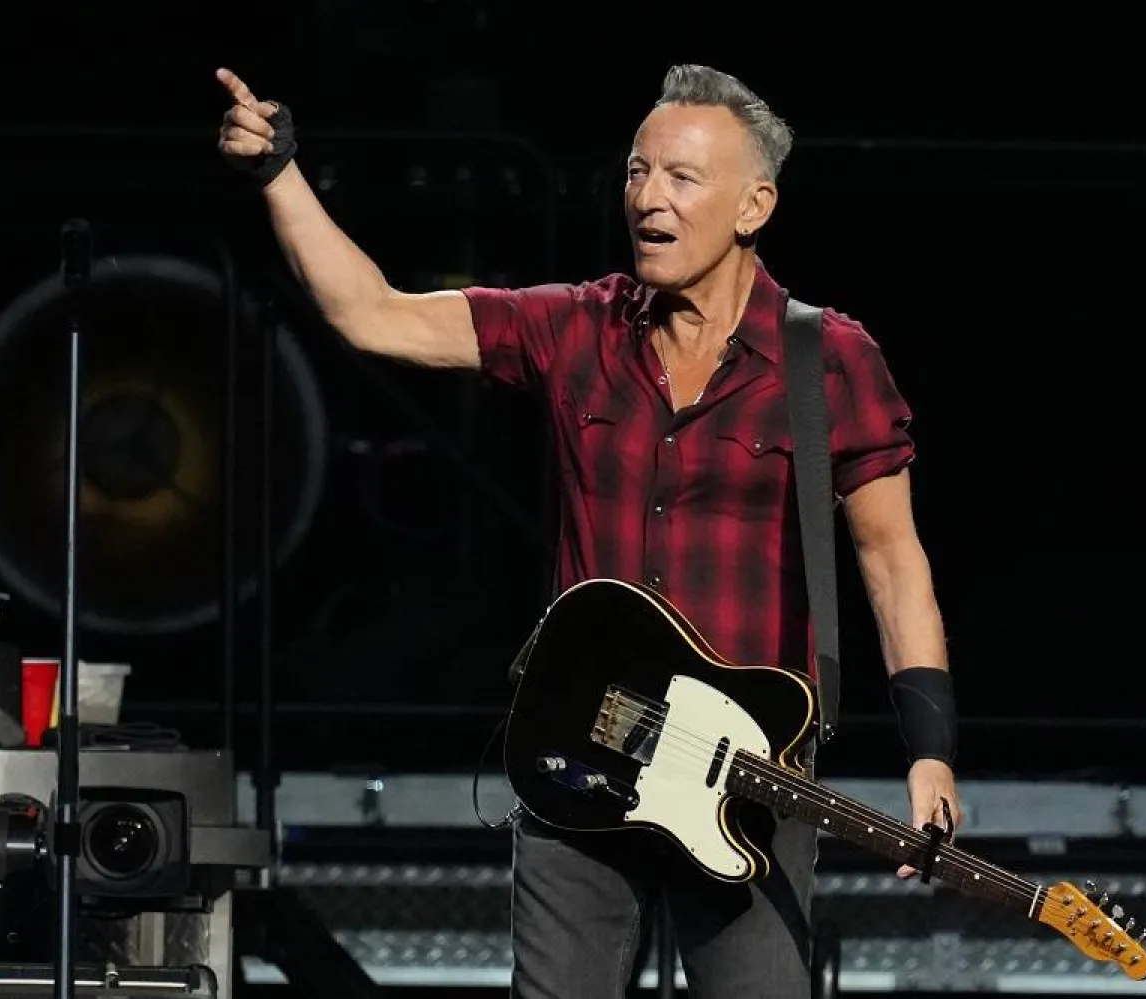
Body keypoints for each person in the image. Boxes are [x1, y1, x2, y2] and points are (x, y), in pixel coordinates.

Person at [216, 62, 962, 999]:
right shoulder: (581, 327)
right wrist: (280, 174)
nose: (648, 197)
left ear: (753, 205)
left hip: (750, 774)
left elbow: (892, 563)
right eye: (637, 172)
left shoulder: (829, 361)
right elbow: (375, 316)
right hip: (582, 743)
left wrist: (928, 747)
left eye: (682, 178)